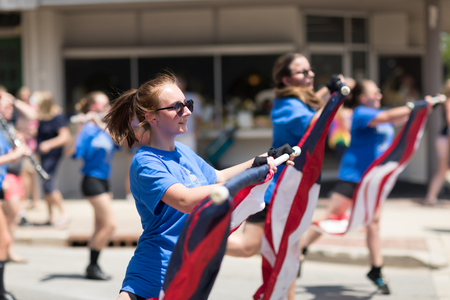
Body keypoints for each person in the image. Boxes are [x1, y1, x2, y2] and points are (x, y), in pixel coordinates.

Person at [104, 72, 293, 300]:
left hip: (188, 273)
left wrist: (261, 160)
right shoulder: (146, 162)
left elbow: (219, 177)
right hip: (153, 280)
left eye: (187, 104)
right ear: (151, 117)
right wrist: (249, 178)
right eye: (177, 107)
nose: (188, 112)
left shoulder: (182, 151)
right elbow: (185, 200)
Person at [224, 52, 343, 300]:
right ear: (286, 80)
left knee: (287, 250)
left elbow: (311, 102)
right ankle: (192, 240)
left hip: (288, 188)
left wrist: (327, 90)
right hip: (274, 189)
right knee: (255, 248)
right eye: (303, 72)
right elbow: (314, 124)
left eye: (311, 70)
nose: (310, 75)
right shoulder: (286, 105)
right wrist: (336, 97)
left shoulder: (297, 99)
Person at [301, 80, 435, 295]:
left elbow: (400, 118)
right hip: (353, 177)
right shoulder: (361, 113)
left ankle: (376, 269)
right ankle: (301, 249)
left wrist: (424, 108)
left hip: (372, 181)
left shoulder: (377, 114)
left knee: (373, 223)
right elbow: (389, 116)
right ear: (363, 97)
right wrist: (417, 105)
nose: (380, 94)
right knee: (331, 216)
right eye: (376, 92)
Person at [65, 91, 117, 280]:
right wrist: (78, 129)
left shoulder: (104, 127)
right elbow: (70, 152)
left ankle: (93, 266)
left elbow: (120, 141)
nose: (107, 109)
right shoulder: (87, 129)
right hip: (91, 180)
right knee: (110, 225)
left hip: (105, 180)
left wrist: (99, 124)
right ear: (91, 109)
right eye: (102, 106)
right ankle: (92, 265)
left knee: (99, 226)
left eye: (107, 105)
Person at [0, 92, 31, 300]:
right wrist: (15, 154)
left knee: (5, 240)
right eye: (8, 104)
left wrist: (15, 145)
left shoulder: (4, 127)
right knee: (4, 240)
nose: (12, 107)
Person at [35, 91, 71, 227]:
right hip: (43, 156)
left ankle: (64, 214)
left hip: (52, 155)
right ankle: (50, 217)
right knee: (44, 185)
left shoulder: (57, 116)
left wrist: (48, 144)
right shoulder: (42, 116)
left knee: (48, 184)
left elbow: (64, 136)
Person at [422, 79, 450, 205]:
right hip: (447, 138)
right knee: (443, 169)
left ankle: (431, 196)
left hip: (443, 137)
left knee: (442, 169)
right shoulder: (448, 102)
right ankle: (431, 197)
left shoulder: (445, 101)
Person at [15, 87, 40, 209]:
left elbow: (35, 128)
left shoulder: (33, 109)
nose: (24, 98)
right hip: (21, 146)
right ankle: (28, 200)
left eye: (27, 95)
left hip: (31, 147)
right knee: (25, 175)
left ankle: (33, 200)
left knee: (31, 175)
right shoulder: (16, 111)